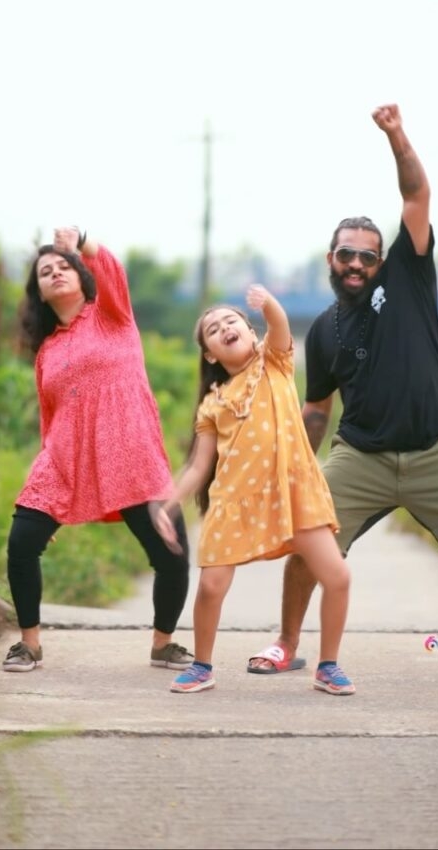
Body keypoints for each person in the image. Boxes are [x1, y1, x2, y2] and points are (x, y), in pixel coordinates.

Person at [248, 102, 438, 681]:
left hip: (436, 447)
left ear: (382, 259)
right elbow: (318, 407)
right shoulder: (322, 330)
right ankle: (285, 643)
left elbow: (416, 196)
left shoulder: (408, 279)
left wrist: (397, 138)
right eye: (345, 253)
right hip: (362, 454)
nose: (355, 263)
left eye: (366, 255)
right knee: (308, 538)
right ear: (330, 259)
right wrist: (298, 459)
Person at [3, 226, 193, 673]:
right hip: (64, 460)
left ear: (81, 275)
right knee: (21, 543)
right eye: (45, 272)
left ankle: (163, 644)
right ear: (41, 294)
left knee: (172, 554)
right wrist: (53, 493)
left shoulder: (113, 315)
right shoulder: (46, 351)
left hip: (131, 456)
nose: (55, 273)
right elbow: (49, 418)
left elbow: (111, 269)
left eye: (63, 266)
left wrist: (81, 243)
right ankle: (29, 644)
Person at [152, 283, 355, 695]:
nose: (225, 328)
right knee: (211, 587)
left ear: (249, 330)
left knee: (337, 577)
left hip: (294, 495)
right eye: (214, 329)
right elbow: (199, 465)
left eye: (233, 321)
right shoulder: (213, 404)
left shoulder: (274, 362)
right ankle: (202, 666)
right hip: (233, 503)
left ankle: (328, 666)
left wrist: (269, 304)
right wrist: (166, 504)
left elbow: (279, 325)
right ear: (210, 353)